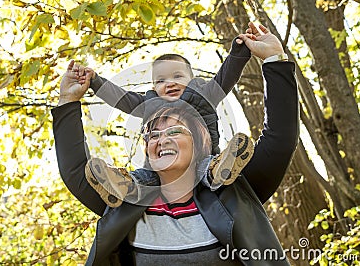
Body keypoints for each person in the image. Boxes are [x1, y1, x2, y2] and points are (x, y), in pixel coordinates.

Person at [52, 22, 299, 265]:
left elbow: (279, 137)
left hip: (213, 168)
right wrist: (72, 97)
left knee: (210, 169)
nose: (162, 138)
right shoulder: (126, 205)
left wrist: (268, 58)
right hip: (138, 187)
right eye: (153, 134)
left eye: (175, 130)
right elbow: (77, 167)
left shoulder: (235, 195)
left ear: (200, 137)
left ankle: (220, 167)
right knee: (138, 181)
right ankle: (122, 180)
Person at [70, 36, 254, 207]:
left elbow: (226, 77)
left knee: (206, 167)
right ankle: (122, 186)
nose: (169, 83)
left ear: (191, 79)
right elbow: (121, 98)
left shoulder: (204, 94)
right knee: (147, 176)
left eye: (177, 76)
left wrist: (239, 52)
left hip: (202, 158)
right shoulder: (149, 104)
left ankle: (221, 170)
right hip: (162, 163)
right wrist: (95, 81)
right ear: (154, 87)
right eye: (161, 80)